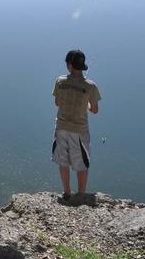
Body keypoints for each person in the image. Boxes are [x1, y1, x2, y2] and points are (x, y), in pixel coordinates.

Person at [51, 50, 101, 200]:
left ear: (69, 65)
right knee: (81, 164)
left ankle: (66, 192)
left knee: (63, 161)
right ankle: (80, 194)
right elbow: (95, 110)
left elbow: (57, 102)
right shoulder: (90, 86)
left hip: (61, 127)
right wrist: (85, 106)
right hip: (79, 130)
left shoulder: (60, 81)